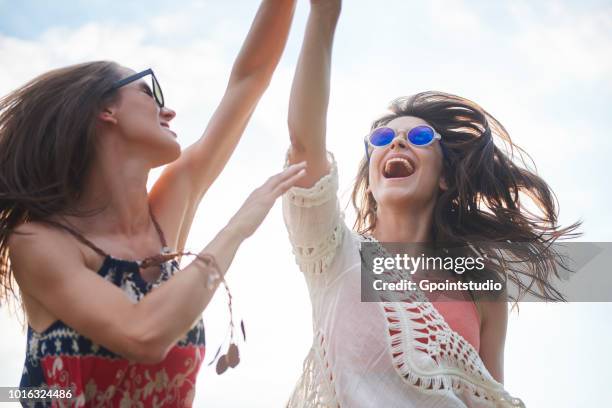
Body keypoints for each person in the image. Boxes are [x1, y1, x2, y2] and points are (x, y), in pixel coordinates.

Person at [0, 1, 301, 406]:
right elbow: (141, 336)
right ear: (104, 109)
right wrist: (237, 228)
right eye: (149, 90)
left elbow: (249, 79)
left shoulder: (164, 216)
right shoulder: (38, 240)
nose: (169, 109)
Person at [282, 1, 577, 407]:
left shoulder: (482, 287)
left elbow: (488, 397)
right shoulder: (336, 255)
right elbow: (304, 144)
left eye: (419, 138)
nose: (397, 142)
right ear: (371, 182)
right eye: (382, 141)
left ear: (443, 177)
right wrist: (323, 16)